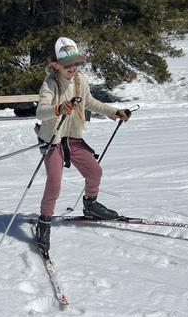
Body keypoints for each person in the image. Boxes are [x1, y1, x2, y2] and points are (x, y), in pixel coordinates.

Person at [34, 37, 131, 252]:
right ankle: (44, 221)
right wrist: (58, 109)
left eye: (76, 63)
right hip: (53, 140)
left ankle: (91, 205)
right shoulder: (50, 84)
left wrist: (115, 113)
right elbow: (40, 112)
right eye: (67, 65)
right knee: (54, 184)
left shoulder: (81, 81)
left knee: (94, 171)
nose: (73, 68)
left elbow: (90, 103)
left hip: (73, 138)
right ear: (55, 65)